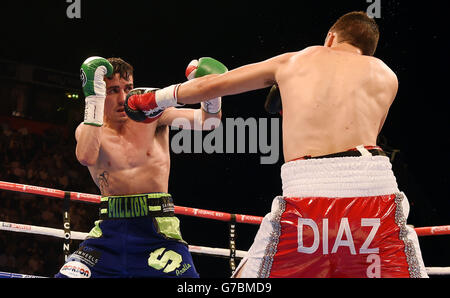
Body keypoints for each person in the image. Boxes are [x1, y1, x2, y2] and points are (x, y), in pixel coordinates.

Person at [126, 11, 428, 278]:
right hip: (374, 190)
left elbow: (211, 84)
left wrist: (151, 100)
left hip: (309, 194)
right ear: (369, 50)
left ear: (331, 37)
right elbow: (366, 132)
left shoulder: (298, 59)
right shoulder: (387, 76)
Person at [55, 56, 226, 278]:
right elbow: (86, 156)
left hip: (158, 232)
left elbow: (208, 121)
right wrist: (93, 99)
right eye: (113, 90)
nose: (123, 98)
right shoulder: (89, 130)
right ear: (99, 91)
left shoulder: (153, 116)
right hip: (108, 233)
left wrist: (212, 93)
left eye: (128, 88)